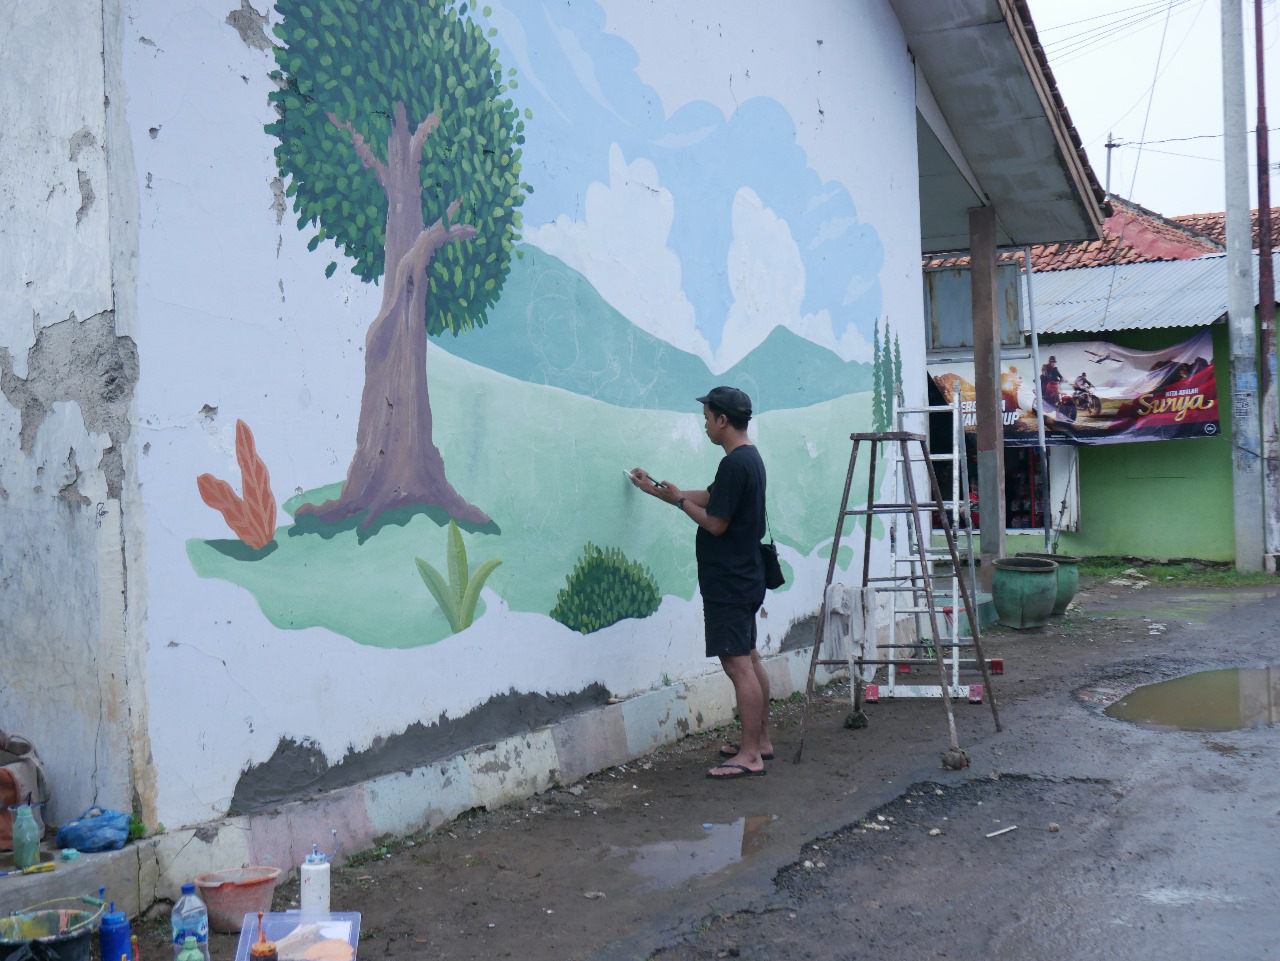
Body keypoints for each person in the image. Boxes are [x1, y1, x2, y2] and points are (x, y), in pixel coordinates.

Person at [629, 386, 771, 779]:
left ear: (723, 420)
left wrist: (677, 503)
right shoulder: (748, 459)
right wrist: (658, 490)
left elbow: (715, 522)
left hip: (730, 578)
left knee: (737, 663)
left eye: (707, 418)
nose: (705, 425)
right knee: (750, 656)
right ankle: (760, 741)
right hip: (747, 573)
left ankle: (750, 755)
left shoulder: (734, 464)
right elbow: (712, 498)